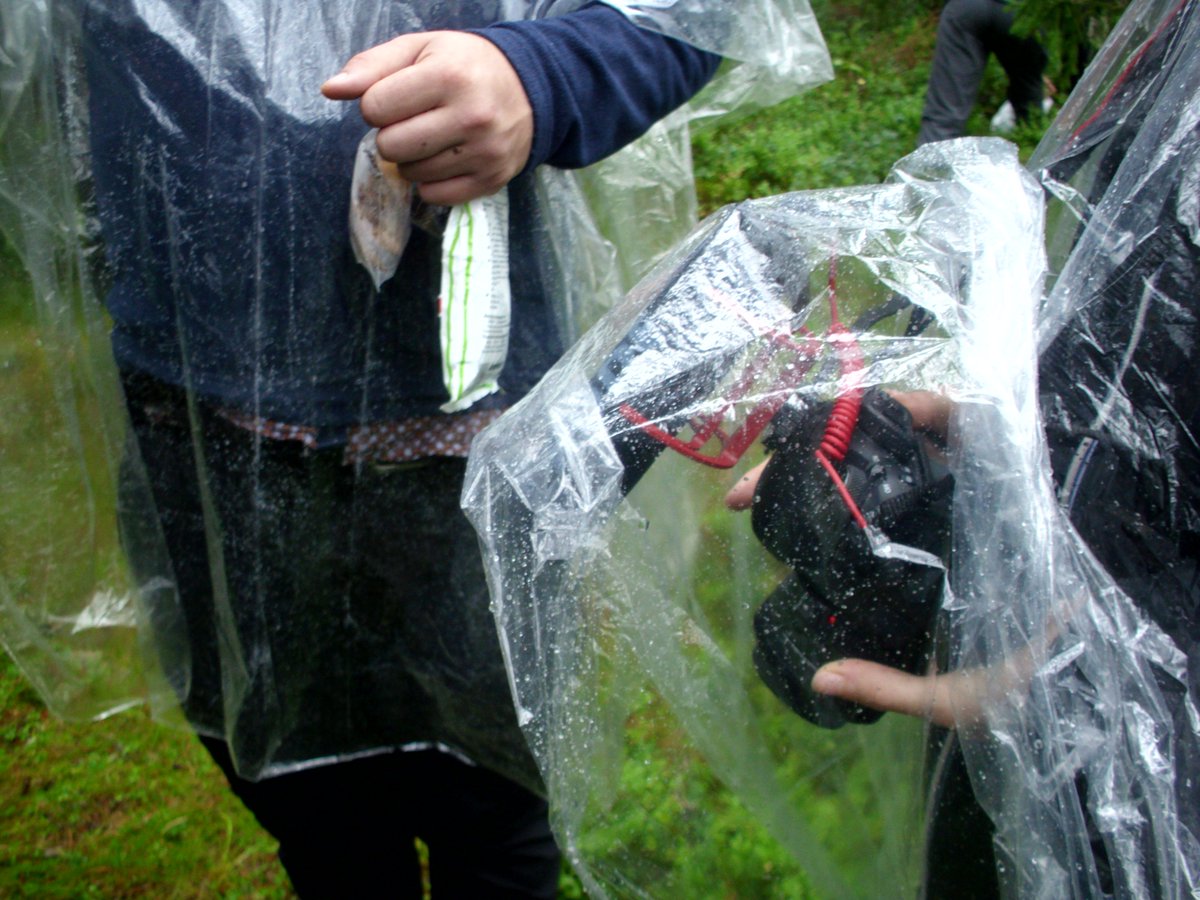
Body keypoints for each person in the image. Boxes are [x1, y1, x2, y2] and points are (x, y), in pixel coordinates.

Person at [69, 2, 723, 896]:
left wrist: (541, 74)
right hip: (199, 434)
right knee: (301, 796)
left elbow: (700, 14)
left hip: (463, 456)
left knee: (491, 808)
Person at [733, 2, 1200, 894]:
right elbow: (1133, 341)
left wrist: (1100, 670)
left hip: (1147, 757)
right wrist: (998, 422)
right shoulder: (1169, 44)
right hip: (1018, 689)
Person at [916, 0, 1049, 146]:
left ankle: (931, 161)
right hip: (1022, 10)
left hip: (968, 8)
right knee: (1029, 102)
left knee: (945, 110)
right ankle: (1037, 149)